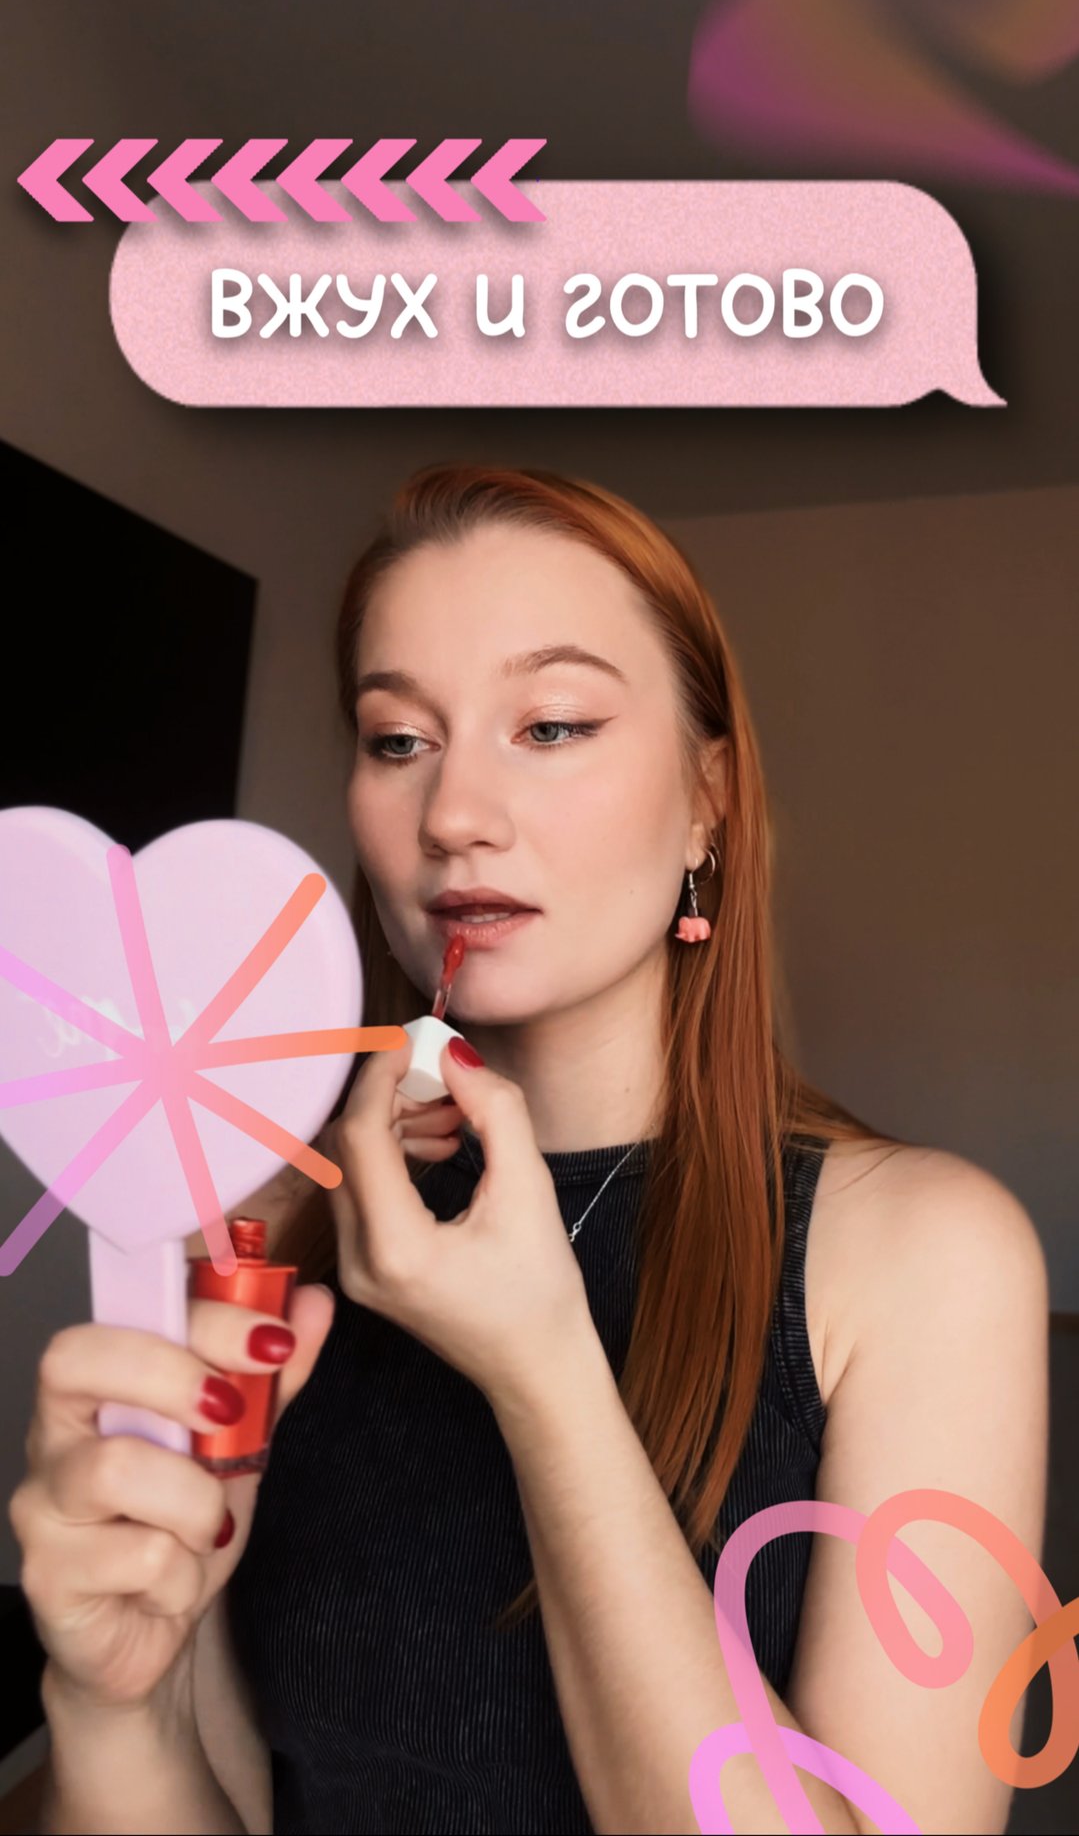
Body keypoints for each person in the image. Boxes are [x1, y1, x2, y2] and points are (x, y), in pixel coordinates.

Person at [14, 465, 1048, 1836]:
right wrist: (111, 1707)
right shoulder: (268, 1226)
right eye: (398, 740)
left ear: (707, 799)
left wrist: (545, 1372)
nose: (452, 814)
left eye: (552, 724)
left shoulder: (925, 1255)